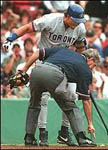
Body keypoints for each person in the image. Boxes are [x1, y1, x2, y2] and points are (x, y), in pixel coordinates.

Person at [2, 4, 88, 146]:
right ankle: (42, 133)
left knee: (71, 95)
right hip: (44, 61)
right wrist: (10, 39)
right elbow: (28, 28)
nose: (77, 24)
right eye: (75, 20)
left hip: (64, 66)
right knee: (42, 99)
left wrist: (82, 61)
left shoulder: (80, 28)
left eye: (79, 21)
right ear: (66, 16)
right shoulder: (50, 20)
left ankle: (65, 132)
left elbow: (80, 47)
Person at [17, 47, 99, 147]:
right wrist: (90, 123)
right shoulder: (85, 69)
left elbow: (38, 52)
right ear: (91, 59)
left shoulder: (63, 50)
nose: (92, 68)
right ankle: (81, 138)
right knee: (70, 107)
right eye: (94, 65)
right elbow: (86, 101)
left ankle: (29, 138)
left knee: (34, 105)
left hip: (36, 71)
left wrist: (24, 69)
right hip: (54, 75)